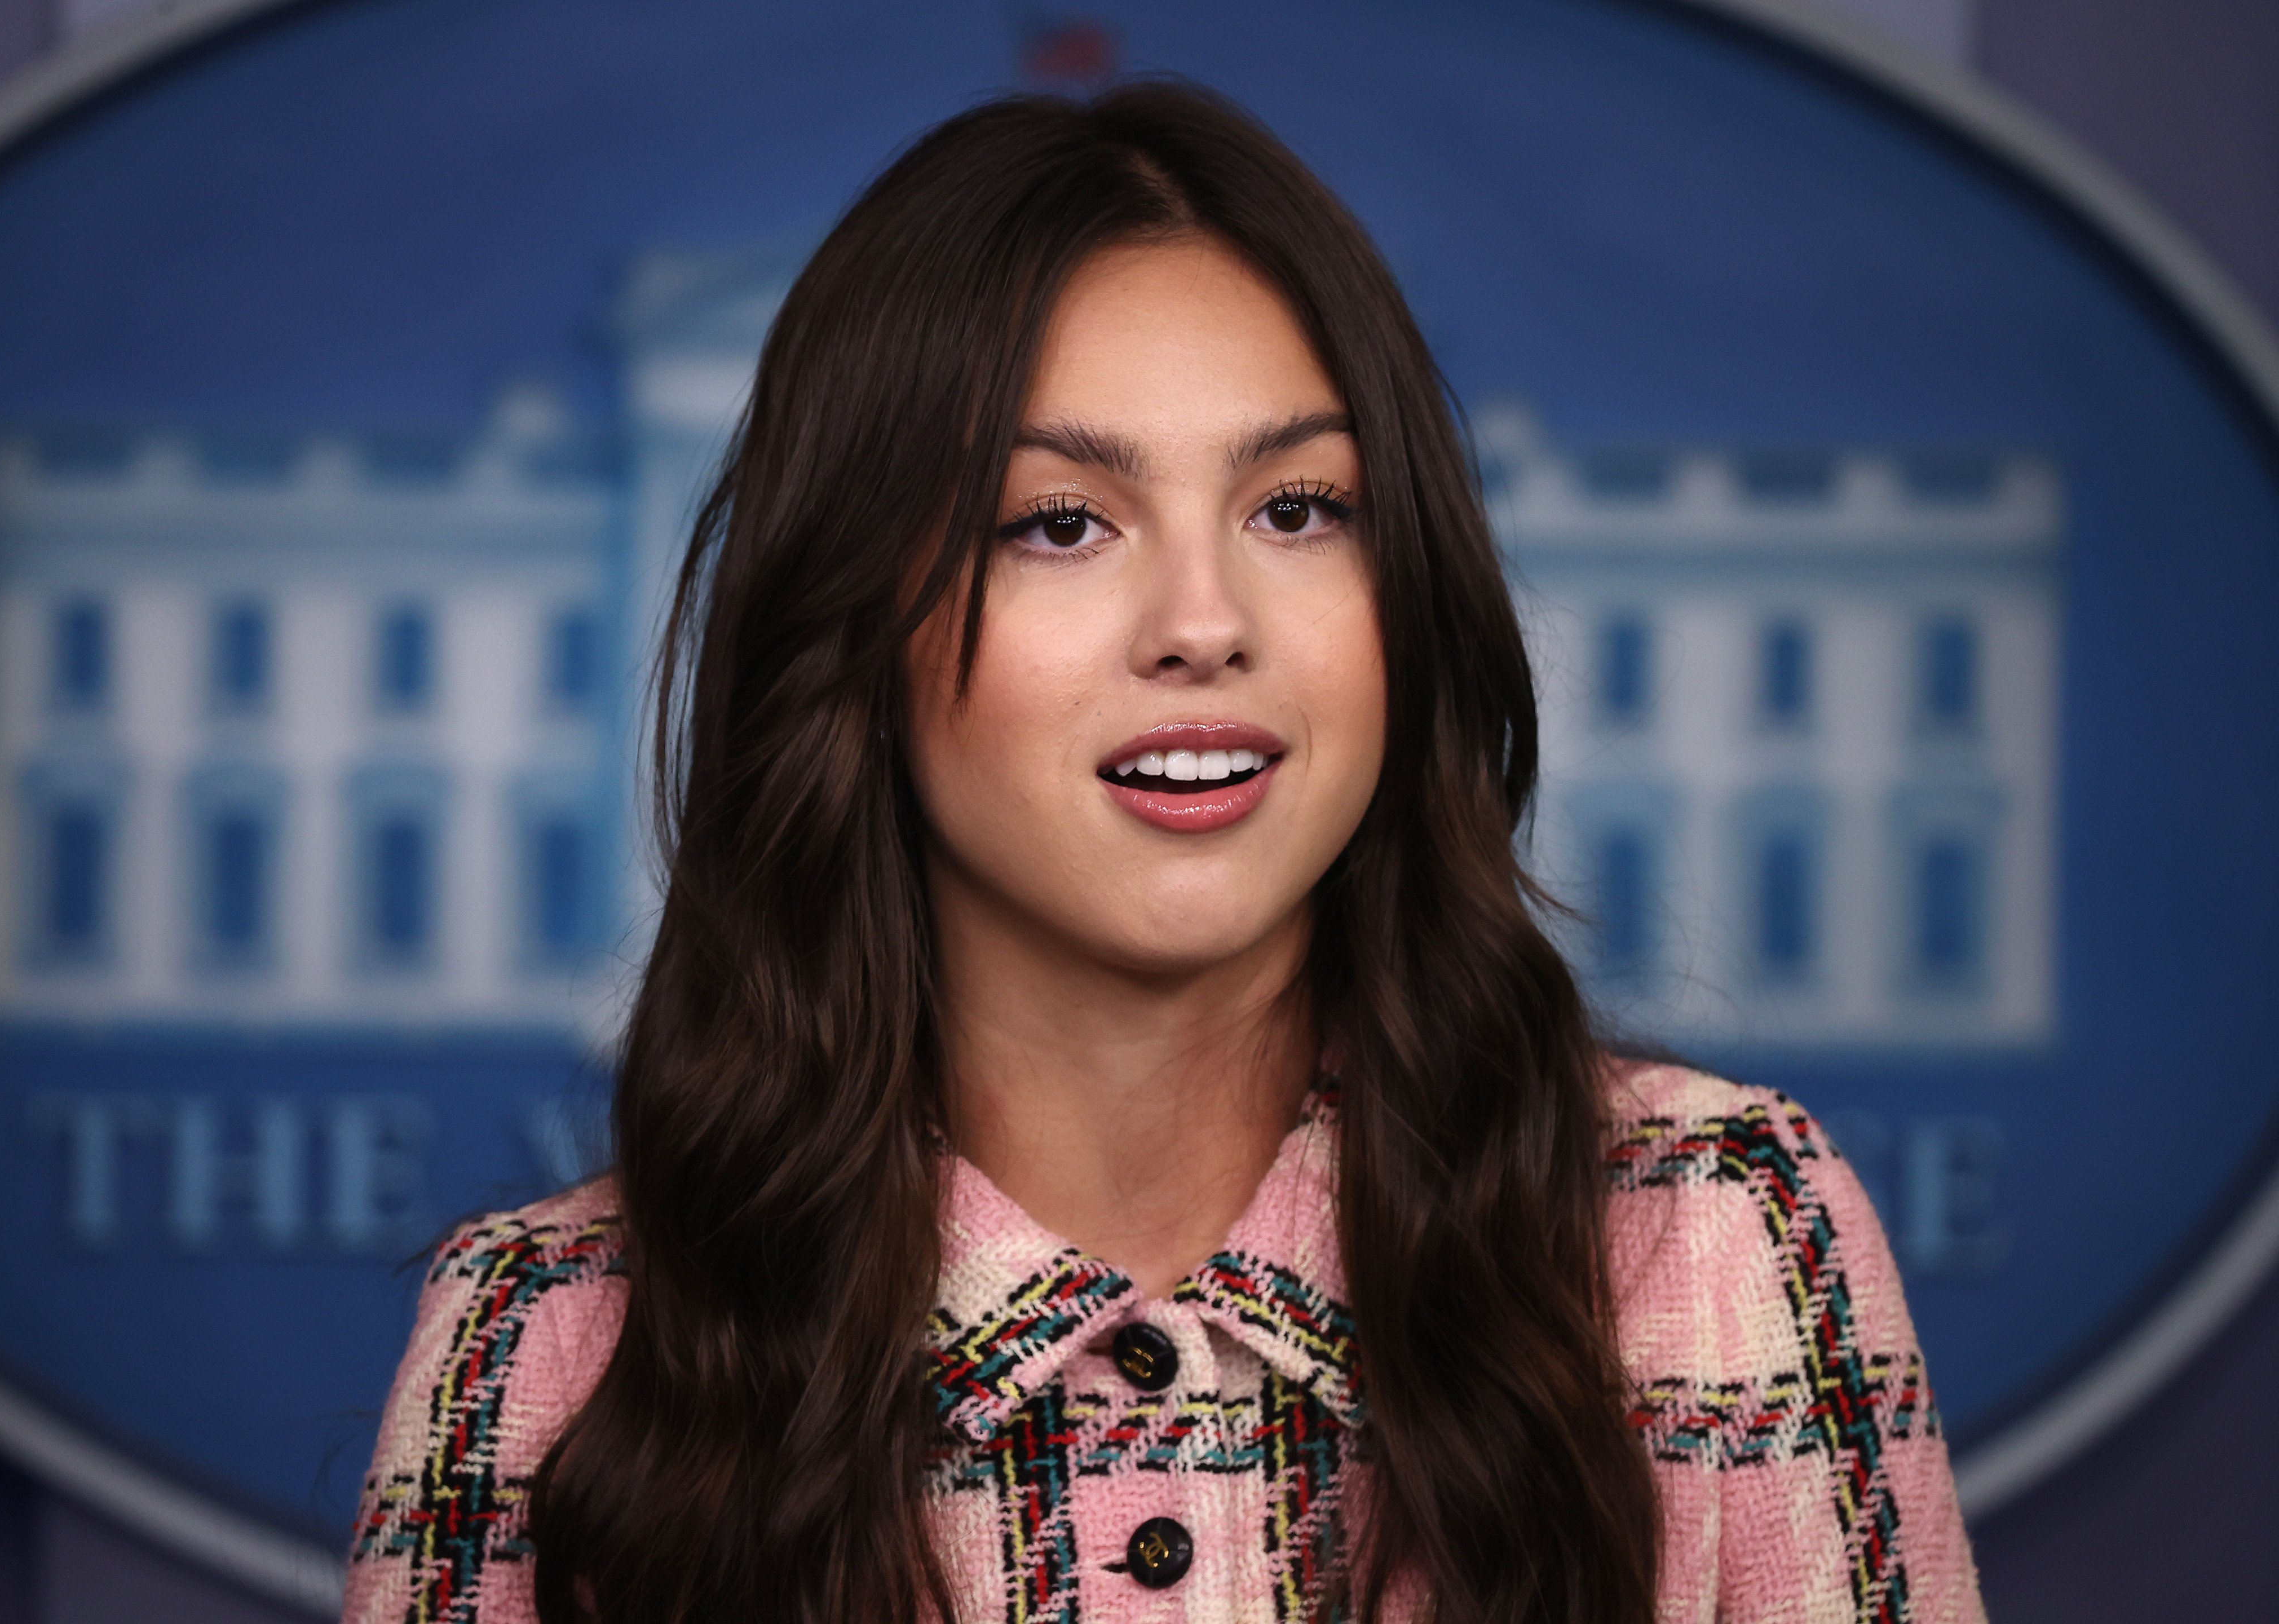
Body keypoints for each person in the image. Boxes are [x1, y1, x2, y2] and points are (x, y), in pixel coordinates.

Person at [343, 83, 1984, 1624]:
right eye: (1060, 522)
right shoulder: (543, 1340)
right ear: (850, 634)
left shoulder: (1712, 1239)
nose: (1206, 626)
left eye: (1299, 509)